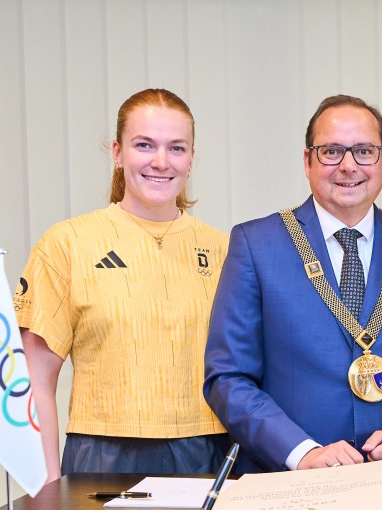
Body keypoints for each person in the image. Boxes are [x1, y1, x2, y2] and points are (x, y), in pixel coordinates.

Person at [204, 95, 382, 473]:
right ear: (307, 161)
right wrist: (301, 452)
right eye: (331, 151)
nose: (348, 166)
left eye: (364, 151)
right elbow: (228, 377)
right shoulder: (255, 245)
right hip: (284, 482)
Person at [15, 88, 230, 482]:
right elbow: (34, 380)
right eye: (144, 145)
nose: (160, 162)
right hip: (102, 455)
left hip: (208, 453)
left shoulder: (225, 250)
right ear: (117, 152)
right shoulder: (67, 243)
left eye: (176, 148)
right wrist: (46, 484)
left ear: (192, 158)